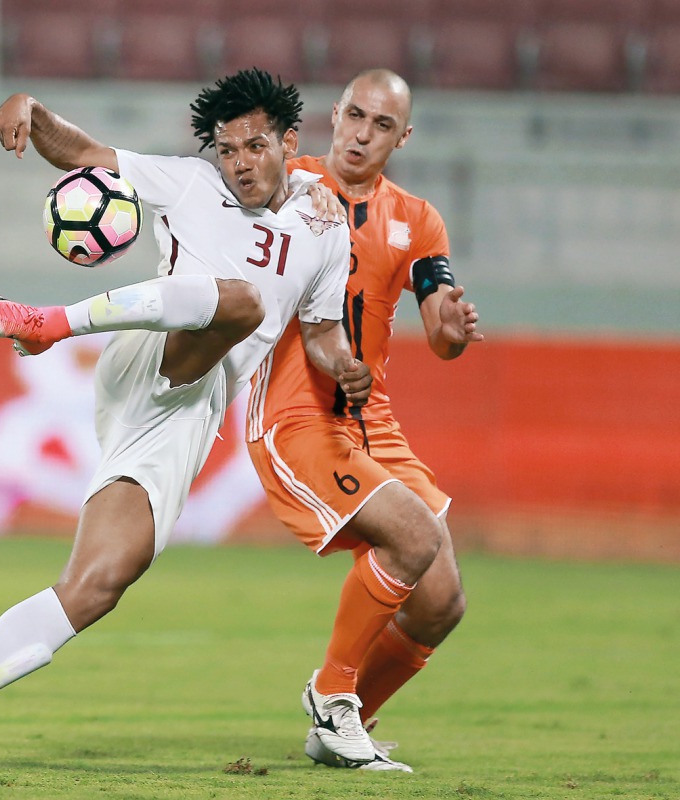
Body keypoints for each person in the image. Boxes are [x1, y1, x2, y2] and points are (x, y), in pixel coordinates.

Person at [0, 68, 372, 767]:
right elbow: (83, 154)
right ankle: (52, 322)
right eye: (227, 148)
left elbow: (322, 333)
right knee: (241, 303)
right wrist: (31, 108)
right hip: (148, 357)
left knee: (100, 583)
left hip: (189, 409)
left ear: (291, 141)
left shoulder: (325, 225)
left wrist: (344, 364)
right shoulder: (189, 183)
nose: (239, 162)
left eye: (255, 146)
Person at [245, 68, 484, 772]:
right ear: (335, 114)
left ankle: (342, 722)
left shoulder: (419, 220)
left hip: (372, 421)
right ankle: (333, 694)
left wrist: (453, 328)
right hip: (297, 412)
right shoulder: (286, 182)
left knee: (441, 598)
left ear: (402, 137)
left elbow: (440, 335)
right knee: (413, 538)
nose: (362, 133)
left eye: (382, 125)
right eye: (355, 115)